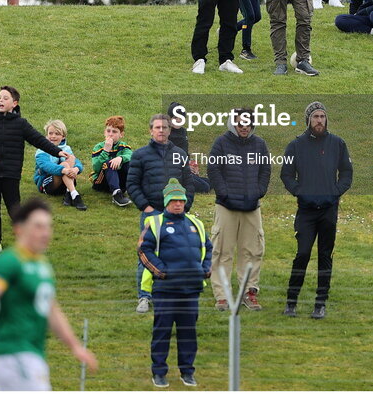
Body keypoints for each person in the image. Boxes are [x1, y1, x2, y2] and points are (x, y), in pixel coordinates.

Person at [0, 198, 98, 390]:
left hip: (32, 354)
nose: (45, 233)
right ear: (19, 229)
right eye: (38, 226)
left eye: (48, 227)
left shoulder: (42, 265)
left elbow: (51, 311)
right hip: (14, 354)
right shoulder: (9, 262)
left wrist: (76, 347)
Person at [126, 113, 210, 314]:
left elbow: (189, 183)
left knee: (176, 253)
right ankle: (144, 297)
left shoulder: (180, 154)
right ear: (150, 130)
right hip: (151, 214)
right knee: (146, 256)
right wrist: (146, 208)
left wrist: (185, 206)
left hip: (176, 215)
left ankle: (174, 295)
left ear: (170, 131)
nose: (161, 131)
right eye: (157, 127)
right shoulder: (140, 155)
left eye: (164, 127)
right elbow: (131, 184)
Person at [0, 86, 69, 256]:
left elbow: (38, 140)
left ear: (14, 103)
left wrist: (57, 151)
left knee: (14, 209)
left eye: (5, 98)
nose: (1, 101)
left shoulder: (21, 124)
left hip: (11, 174)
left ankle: (27, 240)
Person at [281, 102, 353, 319]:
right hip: (306, 211)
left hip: (329, 210)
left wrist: (335, 192)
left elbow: (347, 173)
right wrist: (299, 191)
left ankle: (320, 303)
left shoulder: (338, 144)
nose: (319, 120)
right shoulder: (296, 145)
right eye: (315, 117)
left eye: (322, 116)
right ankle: (291, 302)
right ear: (308, 120)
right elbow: (286, 174)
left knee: (325, 256)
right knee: (302, 254)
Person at [139, 180, 213, 388]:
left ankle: (187, 372)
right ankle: (159, 372)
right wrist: (161, 272)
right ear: (166, 202)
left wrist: (206, 269)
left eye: (181, 200)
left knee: (188, 333)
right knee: (162, 332)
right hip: (166, 290)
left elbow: (208, 247)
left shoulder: (195, 223)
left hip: (191, 289)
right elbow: (144, 250)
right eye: (174, 200)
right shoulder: (155, 223)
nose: (178, 204)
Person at [207, 108, 270, 312]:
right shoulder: (221, 142)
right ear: (232, 123)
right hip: (226, 206)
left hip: (252, 207)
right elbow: (214, 169)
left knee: (252, 252)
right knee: (222, 252)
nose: (244, 127)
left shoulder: (260, 145)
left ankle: (249, 292)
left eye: (247, 123)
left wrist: (259, 191)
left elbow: (265, 169)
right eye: (240, 123)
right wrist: (224, 193)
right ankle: (222, 296)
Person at [33, 119, 87, 211]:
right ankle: (75, 195)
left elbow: (77, 162)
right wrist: (64, 170)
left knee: (71, 159)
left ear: (63, 136)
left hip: (64, 182)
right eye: (50, 133)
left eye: (57, 134)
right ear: (46, 135)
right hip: (47, 184)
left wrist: (76, 169)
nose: (53, 136)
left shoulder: (66, 148)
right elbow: (46, 166)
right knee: (65, 164)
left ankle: (68, 193)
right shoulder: (41, 150)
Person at [90, 115, 133, 207]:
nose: (110, 134)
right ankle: (116, 195)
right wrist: (105, 151)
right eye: (108, 131)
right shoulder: (98, 147)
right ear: (104, 132)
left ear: (121, 134)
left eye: (114, 132)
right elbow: (96, 168)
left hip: (120, 181)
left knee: (129, 163)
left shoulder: (124, 147)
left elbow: (130, 155)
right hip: (101, 182)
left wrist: (120, 158)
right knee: (109, 163)